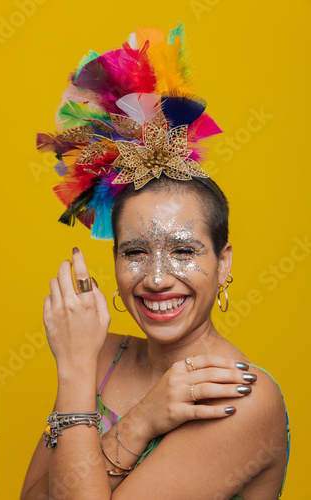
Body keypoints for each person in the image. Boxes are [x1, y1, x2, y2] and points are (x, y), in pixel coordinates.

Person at [21, 25, 290, 499]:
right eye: (136, 252)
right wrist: (140, 419)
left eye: (184, 250)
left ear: (223, 262)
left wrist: (76, 373)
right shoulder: (102, 357)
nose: (157, 278)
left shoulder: (235, 395)